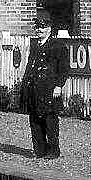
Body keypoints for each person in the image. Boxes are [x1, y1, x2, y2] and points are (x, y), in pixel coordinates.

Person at [18, 14, 69, 159]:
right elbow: (30, 66)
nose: (39, 30)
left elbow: (64, 68)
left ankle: (53, 151)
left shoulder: (57, 46)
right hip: (34, 89)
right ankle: (39, 150)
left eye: (43, 27)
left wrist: (59, 86)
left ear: (49, 29)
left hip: (49, 89)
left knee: (50, 120)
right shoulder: (35, 45)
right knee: (35, 119)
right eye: (38, 27)